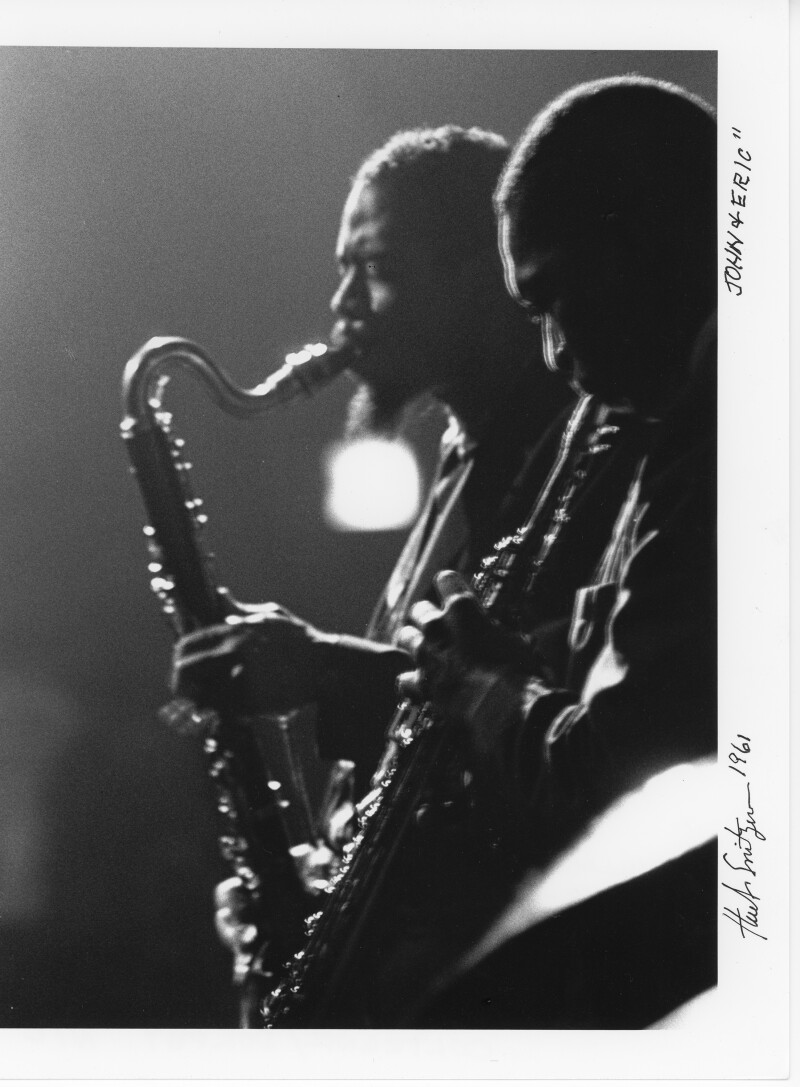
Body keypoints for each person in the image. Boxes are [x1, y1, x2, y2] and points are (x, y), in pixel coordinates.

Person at [170, 125, 572, 1017]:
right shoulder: (465, 452)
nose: (341, 305)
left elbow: (550, 710)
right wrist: (314, 883)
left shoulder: (565, 458)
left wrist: (319, 668)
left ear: (484, 270)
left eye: (374, 267)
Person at [396, 76, 717, 1026]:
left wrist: (485, 690)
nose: (550, 353)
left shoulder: (722, 422)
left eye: (551, 297)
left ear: (637, 247)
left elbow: (612, 788)